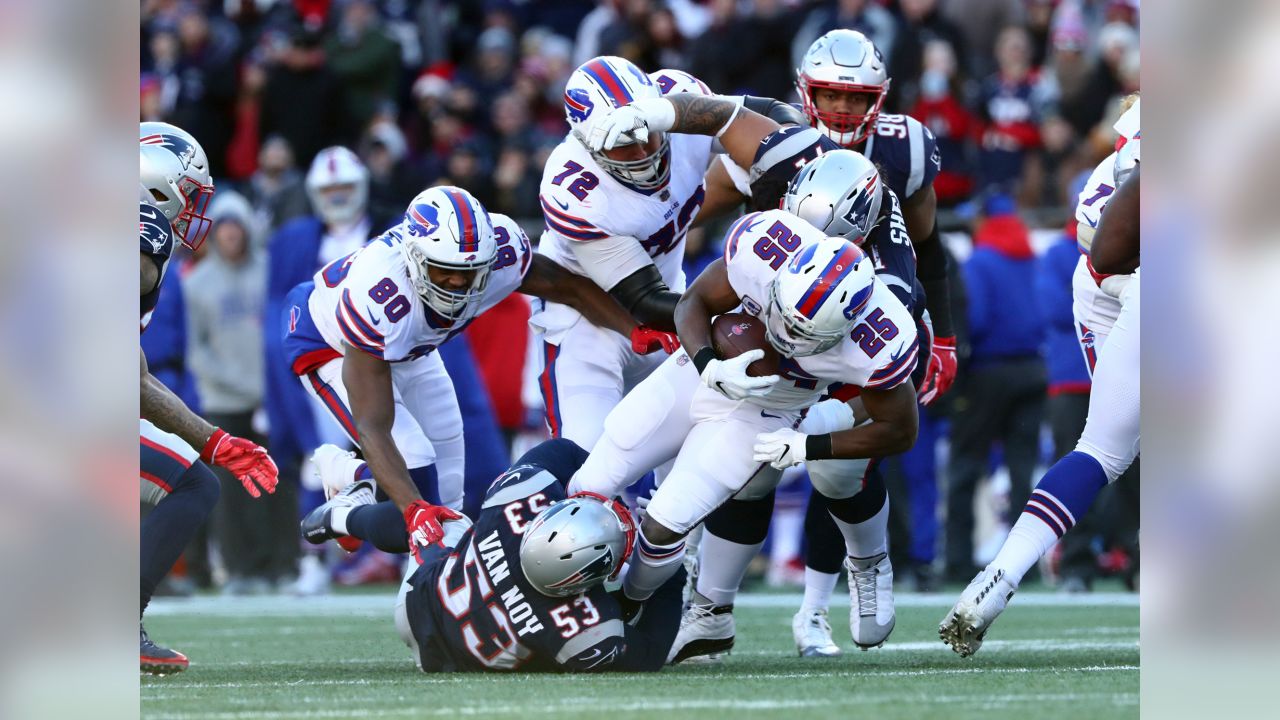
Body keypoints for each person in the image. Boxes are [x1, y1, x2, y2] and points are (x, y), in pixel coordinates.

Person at [565, 185, 919, 662]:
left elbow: (900, 428)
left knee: (667, 521)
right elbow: (693, 302)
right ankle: (555, 596)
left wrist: (805, 447)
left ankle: (629, 607)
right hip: (701, 374)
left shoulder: (877, 335)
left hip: (770, 408)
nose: (785, 333)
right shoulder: (767, 244)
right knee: (590, 482)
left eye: (804, 332)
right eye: (784, 315)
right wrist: (709, 362)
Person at [281, 185, 659, 551]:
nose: (458, 282)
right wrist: (413, 511)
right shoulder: (380, 295)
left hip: (412, 346)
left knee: (448, 505)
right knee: (414, 504)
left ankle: (435, 594)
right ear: (415, 258)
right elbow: (372, 426)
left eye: (470, 270)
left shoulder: (501, 251)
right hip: (331, 342)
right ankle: (346, 493)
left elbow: (569, 287)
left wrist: (634, 330)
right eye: (444, 269)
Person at [941, 161, 1140, 658]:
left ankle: (1001, 573)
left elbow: (1101, 257)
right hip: (1142, 280)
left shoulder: (1119, 154)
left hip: (1113, 287)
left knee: (1100, 453)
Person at [301, 438, 686, 672]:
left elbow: (561, 451)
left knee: (433, 521)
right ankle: (345, 508)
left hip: (422, 599)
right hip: (443, 657)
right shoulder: (584, 632)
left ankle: (342, 517)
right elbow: (650, 653)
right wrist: (669, 565)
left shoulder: (517, 501)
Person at [532, 56, 756, 447]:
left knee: (695, 455)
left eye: (644, 133)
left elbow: (765, 127)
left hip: (677, 301)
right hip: (591, 323)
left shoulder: (676, 96)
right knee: (582, 457)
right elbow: (644, 299)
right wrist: (750, 311)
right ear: (588, 143)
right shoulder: (575, 188)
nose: (640, 151)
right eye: (620, 145)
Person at [139, 122, 279, 673]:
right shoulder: (138, 242)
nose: (198, 210)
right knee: (192, 482)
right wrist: (213, 440)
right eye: (191, 194)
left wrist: (212, 438)